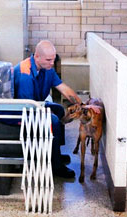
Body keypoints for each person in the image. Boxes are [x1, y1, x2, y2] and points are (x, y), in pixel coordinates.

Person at [13, 40, 81, 178]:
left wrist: (81, 105)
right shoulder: (25, 73)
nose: (52, 63)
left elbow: (63, 88)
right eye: (49, 60)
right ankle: (55, 166)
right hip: (20, 112)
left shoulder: (47, 68)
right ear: (36, 56)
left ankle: (55, 152)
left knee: (59, 110)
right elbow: (28, 107)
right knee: (53, 121)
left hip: (35, 104)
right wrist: (46, 114)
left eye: (53, 59)